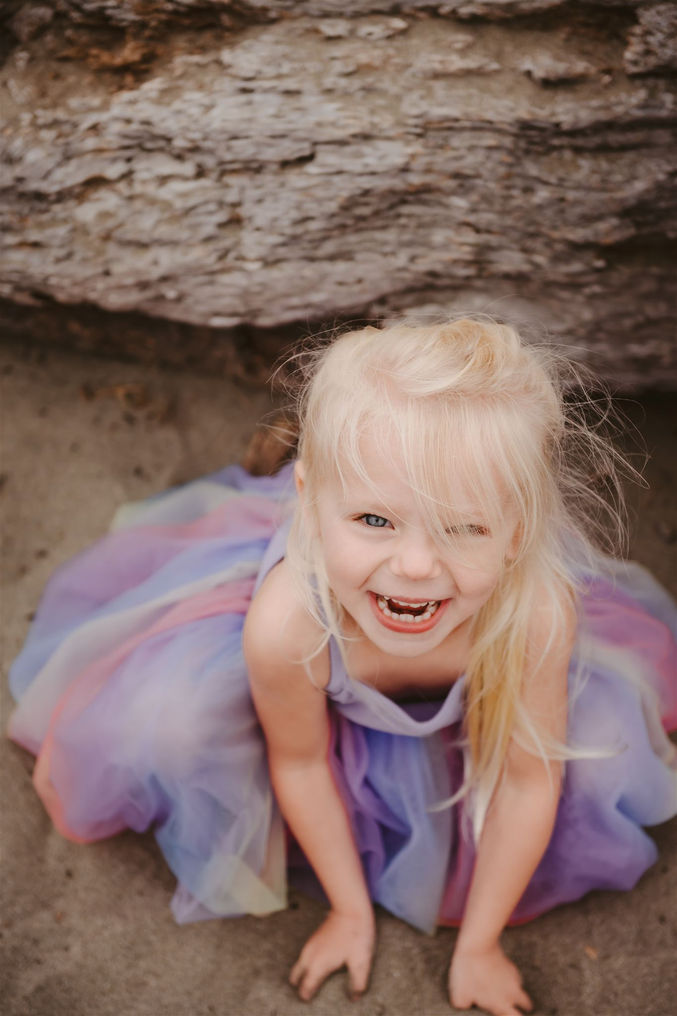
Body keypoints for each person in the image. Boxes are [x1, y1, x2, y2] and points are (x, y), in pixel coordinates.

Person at [8, 319, 677, 1016]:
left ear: (517, 534)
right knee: (169, 726)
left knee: (598, 761)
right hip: (304, 706)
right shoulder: (289, 622)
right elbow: (299, 762)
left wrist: (478, 944)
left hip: (491, 690)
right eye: (373, 520)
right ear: (308, 497)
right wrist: (349, 912)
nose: (416, 566)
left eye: (462, 526)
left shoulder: (535, 613)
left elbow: (525, 781)